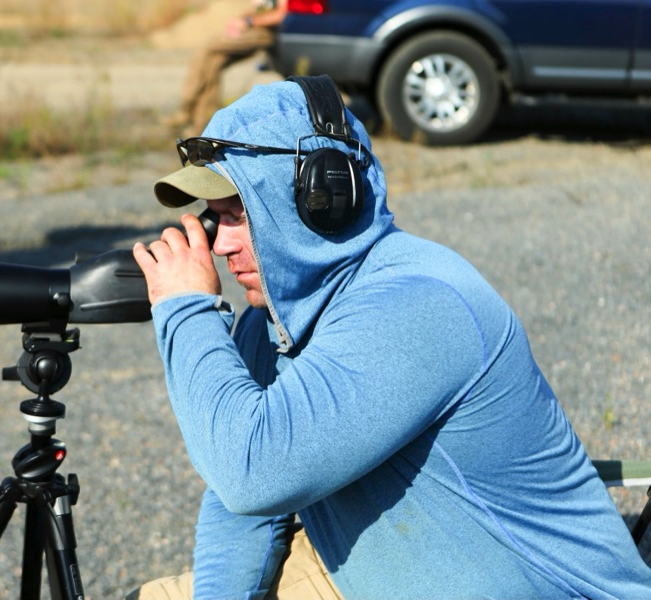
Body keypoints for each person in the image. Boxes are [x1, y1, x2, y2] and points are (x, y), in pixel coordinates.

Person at [130, 76, 651, 598]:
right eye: (213, 219)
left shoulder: (419, 305)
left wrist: (188, 309)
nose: (218, 245)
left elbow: (251, 470)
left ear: (323, 197)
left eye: (237, 215)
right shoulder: (270, 321)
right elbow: (239, 502)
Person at [166, 0, 288, 137]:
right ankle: (201, 123)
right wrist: (237, 21)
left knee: (207, 48)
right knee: (214, 63)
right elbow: (253, 9)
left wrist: (248, 22)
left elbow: (282, 14)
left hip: (262, 33)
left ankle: (187, 106)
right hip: (249, 30)